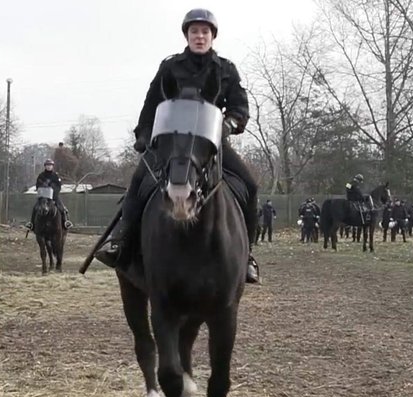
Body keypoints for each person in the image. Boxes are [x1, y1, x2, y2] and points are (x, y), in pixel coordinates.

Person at [94, 9, 260, 283]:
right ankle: (121, 243)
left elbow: (240, 107)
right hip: (171, 142)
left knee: (250, 186)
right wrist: (144, 135)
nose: (200, 36)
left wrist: (228, 125)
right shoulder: (169, 67)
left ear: (212, 36)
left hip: (209, 143)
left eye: (205, 32)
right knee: (137, 183)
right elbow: (150, 106)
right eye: (194, 31)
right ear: (187, 35)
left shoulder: (227, 69)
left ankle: (247, 256)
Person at [25, 158, 72, 230]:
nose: (49, 166)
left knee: (62, 208)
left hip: (54, 196)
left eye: (50, 165)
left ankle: (66, 222)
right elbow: (38, 186)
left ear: (52, 166)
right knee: (35, 208)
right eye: (47, 165)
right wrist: (41, 189)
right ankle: (31, 223)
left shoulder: (55, 176)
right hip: (43, 197)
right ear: (45, 166)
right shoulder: (41, 176)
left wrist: (54, 193)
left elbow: (59, 186)